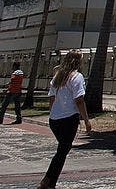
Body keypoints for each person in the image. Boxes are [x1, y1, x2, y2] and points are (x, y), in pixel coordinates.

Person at [39, 50, 92, 189]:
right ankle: (47, 181)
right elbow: (79, 100)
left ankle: (50, 182)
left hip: (54, 119)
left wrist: (53, 112)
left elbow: (51, 98)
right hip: (69, 119)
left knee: (62, 150)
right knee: (62, 151)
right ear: (77, 62)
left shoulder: (58, 76)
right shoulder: (77, 77)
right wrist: (86, 120)